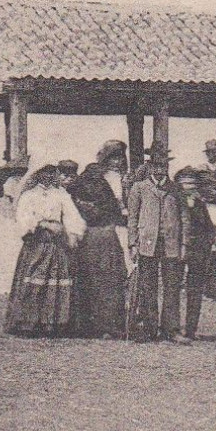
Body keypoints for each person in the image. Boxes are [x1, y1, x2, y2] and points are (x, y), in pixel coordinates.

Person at [4, 165, 86, 336]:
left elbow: (72, 215)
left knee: (57, 280)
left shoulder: (61, 194)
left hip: (56, 244)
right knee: (35, 278)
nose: (48, 176)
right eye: (44, 172)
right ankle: (30, 322)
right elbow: (23, 216)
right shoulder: (29, 195)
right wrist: (41, 224)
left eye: (51, 172)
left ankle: (53, 323)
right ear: (37, 174)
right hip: (37, 242)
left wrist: (72, 232)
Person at [66, 140, 131, 339]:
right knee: (92, 278)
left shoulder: (126, 179)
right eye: (113, 157)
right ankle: (89, 325)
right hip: (94, 233)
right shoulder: (92, 178)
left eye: (120, 157)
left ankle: (110, 324)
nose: (117, 161)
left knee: (113, 278)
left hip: (112, 232)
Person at [127, 148, 189, 344]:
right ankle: (149, 329)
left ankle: (170, 330)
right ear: (150, 166)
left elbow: (185, 218)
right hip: (147, 244)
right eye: (156, 166)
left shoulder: (176, 189)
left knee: (172, 287)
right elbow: (132, 218)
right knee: (148, 287)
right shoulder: (139, 188)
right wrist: (133, 243)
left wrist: (184, 244)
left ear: (167, 167)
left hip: (171, 244)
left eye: (163, 166)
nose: (159, 169)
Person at [177, 167, 216, 341]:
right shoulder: (173, 201)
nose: (189, 186)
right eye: (185, 183)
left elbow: (209, 228)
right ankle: (173, 328)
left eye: (192, 183)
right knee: (174, 290)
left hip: (199, 252)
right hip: (178, 250)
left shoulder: (200, 203)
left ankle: (191, 329)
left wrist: (208, 244)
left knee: (195, 290)